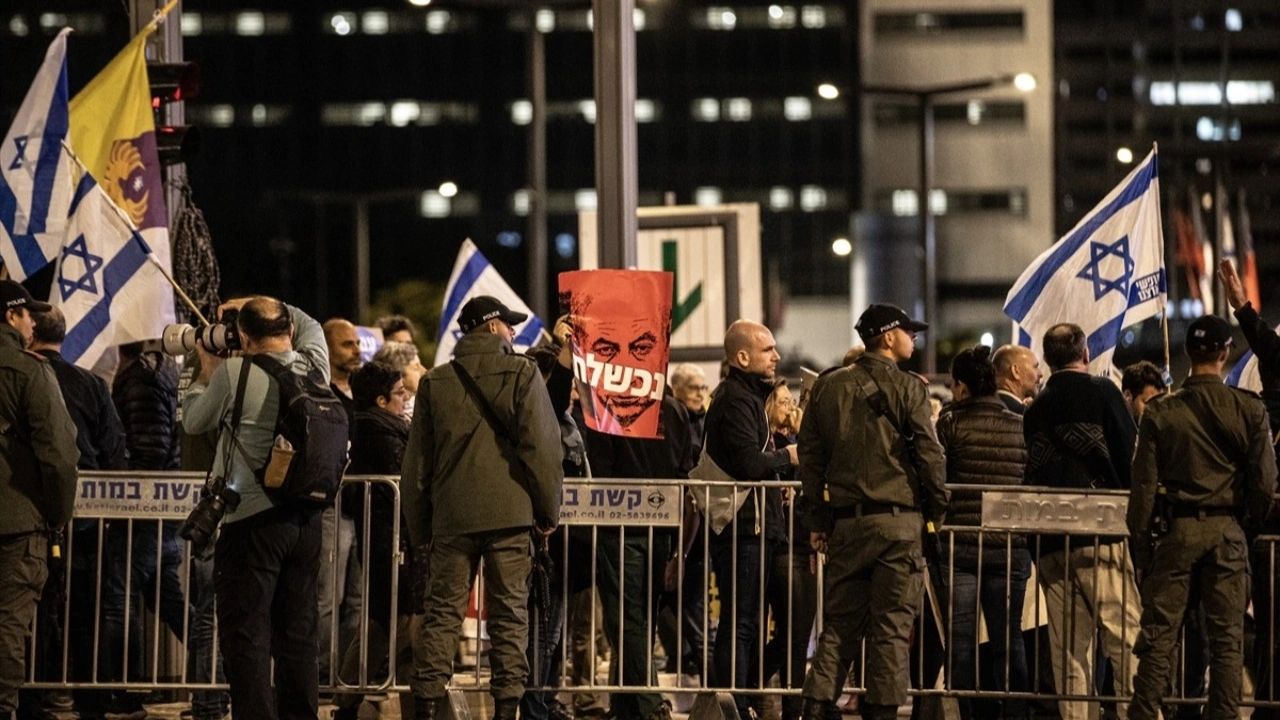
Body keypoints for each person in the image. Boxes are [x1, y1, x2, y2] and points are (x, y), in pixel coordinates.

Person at [400, 296, 563, 720]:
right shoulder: (522, 373)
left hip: (452, 517)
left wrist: (421, 531)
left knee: (442, 616)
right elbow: (543, 450)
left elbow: (416, 465)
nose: (513, 332)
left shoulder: (436, 382)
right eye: (509, 325)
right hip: (510, 514)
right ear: (491, 327)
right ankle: (505, 710)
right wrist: (548, 512)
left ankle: (428, 706)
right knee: (509, 617)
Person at [181, 297, 332, 720]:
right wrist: (265, 301)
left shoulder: (235, 371)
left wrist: (205, 374)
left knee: (246, 634)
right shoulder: (314, 366)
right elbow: (313, 322)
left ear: (243, 336)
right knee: (297, 633)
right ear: (287, 330)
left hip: (250, 518)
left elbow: (194, 420)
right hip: (305, 519)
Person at [798, 304, 948, 720]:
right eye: (907, 331)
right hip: (899, 522)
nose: (913, 338)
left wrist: (820, 519)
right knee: (892, 628)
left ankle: (815, 706)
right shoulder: (910, 388)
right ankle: (880, 714)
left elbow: (810, 460)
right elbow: (930, 456)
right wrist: (937, 511)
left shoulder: (828, 388)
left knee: (839, 626)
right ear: (887, 337)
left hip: (847, 523)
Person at [1126, 315, 1277, 720]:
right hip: (1227, 532)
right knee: (1227, 642)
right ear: (1226, 352)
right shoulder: (1248, 408)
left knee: (1158, 639)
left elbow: (1141, 491)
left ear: (1190, 353)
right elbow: (1265, 482)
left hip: (1177, 532)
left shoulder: (1160, 412)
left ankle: (1143, 713)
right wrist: (1244, 526)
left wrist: (1142, 550)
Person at [1023, 323, 1141, 720]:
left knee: (1068, 652)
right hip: (1101, 533)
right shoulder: (1103, 392)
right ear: (1085, 353)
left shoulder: (1035, 408)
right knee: (1124, 639)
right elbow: (1129, 458)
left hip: (1053, 542)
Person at [26, 307, 130, 716]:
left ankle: (33, 696)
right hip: (88, 523)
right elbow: (114, 449)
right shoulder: (89, 383)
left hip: (37, 515)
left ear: (30, 333)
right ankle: (91, 698)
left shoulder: (25, 379)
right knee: (86, 611)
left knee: (35, 607)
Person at [702, 320, 796, 719]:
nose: (776, 356)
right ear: (742, 357)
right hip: (743, 531)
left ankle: (741, 699)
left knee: (755, 622)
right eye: (767, 350)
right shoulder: (736, 399)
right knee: (740, 623)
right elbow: (748, 464)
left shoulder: (748, 397)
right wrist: (788, 458)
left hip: (757, 528)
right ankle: (733, 706)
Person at [934, 345, 1030, 720]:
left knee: (960, 643)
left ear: (961, 386)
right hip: (1008, 547)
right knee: (1010, 640)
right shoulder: (1018, 424)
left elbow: (937, 479)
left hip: (959, 547)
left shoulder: (950, 423)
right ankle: (1016, 714)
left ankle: (966, 715)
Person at [0, 280, 79, 718]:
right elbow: (61, 457)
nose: (33, 321)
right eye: (27, 313)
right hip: (17, 522)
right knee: (8, 626)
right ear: (12, 317)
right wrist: (57, 515)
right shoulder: (28, 370)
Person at [333, 361, 418, 720]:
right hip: (392, 545)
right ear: (382, 401)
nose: (406, 398)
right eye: (400, 393)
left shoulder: (379, 429)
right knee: (400, 624)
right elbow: (406, 490)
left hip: (390, 542)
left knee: (386, 623)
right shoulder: (383, 435)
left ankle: (348, 698)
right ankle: (415, 706)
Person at [1218, 259, 1280, 716]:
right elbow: (1271, 350)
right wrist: (1242, 309)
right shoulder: (1267, 407)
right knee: (1272, 628)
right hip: (1272, 529)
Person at [760, 380, 816, 720]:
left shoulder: (797, 440)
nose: (789, 407)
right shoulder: (773, 445)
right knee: (791, 630)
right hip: (784, 547)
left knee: (800, 631)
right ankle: (751, 684)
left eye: (791, 401)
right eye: (782, 401)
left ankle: (790, 701)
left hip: (802, 543)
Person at [320, 317, 364, 687]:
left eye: (357, 343)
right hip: (332, 509)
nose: (356, 350)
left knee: (356, 601)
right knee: (326, 598)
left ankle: (346, 676)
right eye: (347, 344)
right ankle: (320, 673)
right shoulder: (320, 392)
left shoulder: (362, 392)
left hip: (360, 508)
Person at [372, 340, 426, 421]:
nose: (424, 370)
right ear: (398, 372)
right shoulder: (386, 415)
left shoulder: (423, 404)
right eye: (416, 367)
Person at [669, 363, 708, 453]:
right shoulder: (668, 422)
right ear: (676, 389)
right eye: (694, 388)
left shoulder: (707, 420)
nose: (700, 395)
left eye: (703, 388)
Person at [993, 344, 1042, 414]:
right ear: (1015, 371)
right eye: (1035, 367)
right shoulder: (1028, 417)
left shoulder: (983, 407)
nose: (1041, 374)